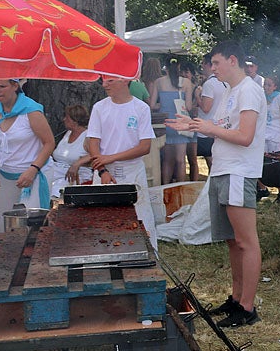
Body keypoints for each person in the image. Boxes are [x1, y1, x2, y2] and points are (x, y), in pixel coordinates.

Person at [166, 40, 266, 328]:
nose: (212, 69)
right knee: (231, 240)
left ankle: (247, 308)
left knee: (246, 241)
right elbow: (222, 130)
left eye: (216, 63)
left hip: (239, 172)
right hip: (222, 170)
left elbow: (245, 136)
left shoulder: (249, 90)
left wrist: (209, 128)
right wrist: (194, 126)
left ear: (232, 60)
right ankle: (236, 299)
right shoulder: (228, 92)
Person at [86, 76, 157, 249]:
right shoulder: (99, 108)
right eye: (103, 80)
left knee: (140, 216)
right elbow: (92, 143)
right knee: (104, 218)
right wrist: (103, 170)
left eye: (110, 81)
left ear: (125, 80)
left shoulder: (141, 108)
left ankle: (146, 254)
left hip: (133, 171)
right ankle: (105, 256)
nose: (104, 85)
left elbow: (144, 147)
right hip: (104, 172)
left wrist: (110, 158)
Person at [0, 79, 56, 232]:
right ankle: (3, 253)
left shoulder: (31, 110)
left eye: (2, 86)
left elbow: (49, 143)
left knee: (33, 224)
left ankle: (35, 253)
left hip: (35, 172)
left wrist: (32, 169)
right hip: (6, 172)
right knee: (3, 224)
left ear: (15, 86)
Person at [150, 58, 195, 185]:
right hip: (181, 121)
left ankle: (165, 187)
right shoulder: (186, 82)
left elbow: (152, 105)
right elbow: (189, 107)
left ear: (166, 67)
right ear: (179, 66)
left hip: (165, 122)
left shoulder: (158, 82)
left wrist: (164, 104)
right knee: (180, 160)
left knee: (167, 160)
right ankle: (180, 187)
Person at [43, 104, 92, 197]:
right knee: (39, 179)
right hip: (58, 168)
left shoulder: (87, 136)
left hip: (77, 173)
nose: (64, 119)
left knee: (56, 189)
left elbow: (96, 154)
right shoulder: (68, 133)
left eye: (67, 118)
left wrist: (77, 163)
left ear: (75, 121)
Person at [195, 54, 228, 173]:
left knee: (211, 162)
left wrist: (197, 96)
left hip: (207, 128)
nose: (202, 67)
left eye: (203, 63)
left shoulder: (209, 84)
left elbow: (206, 108)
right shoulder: (224, 82)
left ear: (208, 65)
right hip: (219, 126)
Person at [180, 61, 202, 180]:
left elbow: (197, 108)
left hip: (192, 125)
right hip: (182, 124)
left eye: (187, 72)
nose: (184, 74)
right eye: (182, 72)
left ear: (192, 74)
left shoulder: (197, 89)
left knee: (192, 158)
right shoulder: (179, 88)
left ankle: (194, 182)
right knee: (181, 158)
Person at [263, 76, 280, 153]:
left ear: (275, 87)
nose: (266, 87)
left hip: (276, 134)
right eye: (265, 84)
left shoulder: (279, 97)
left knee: (275, 159)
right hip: (263, 133)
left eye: (269, 85)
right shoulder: (261, 96)